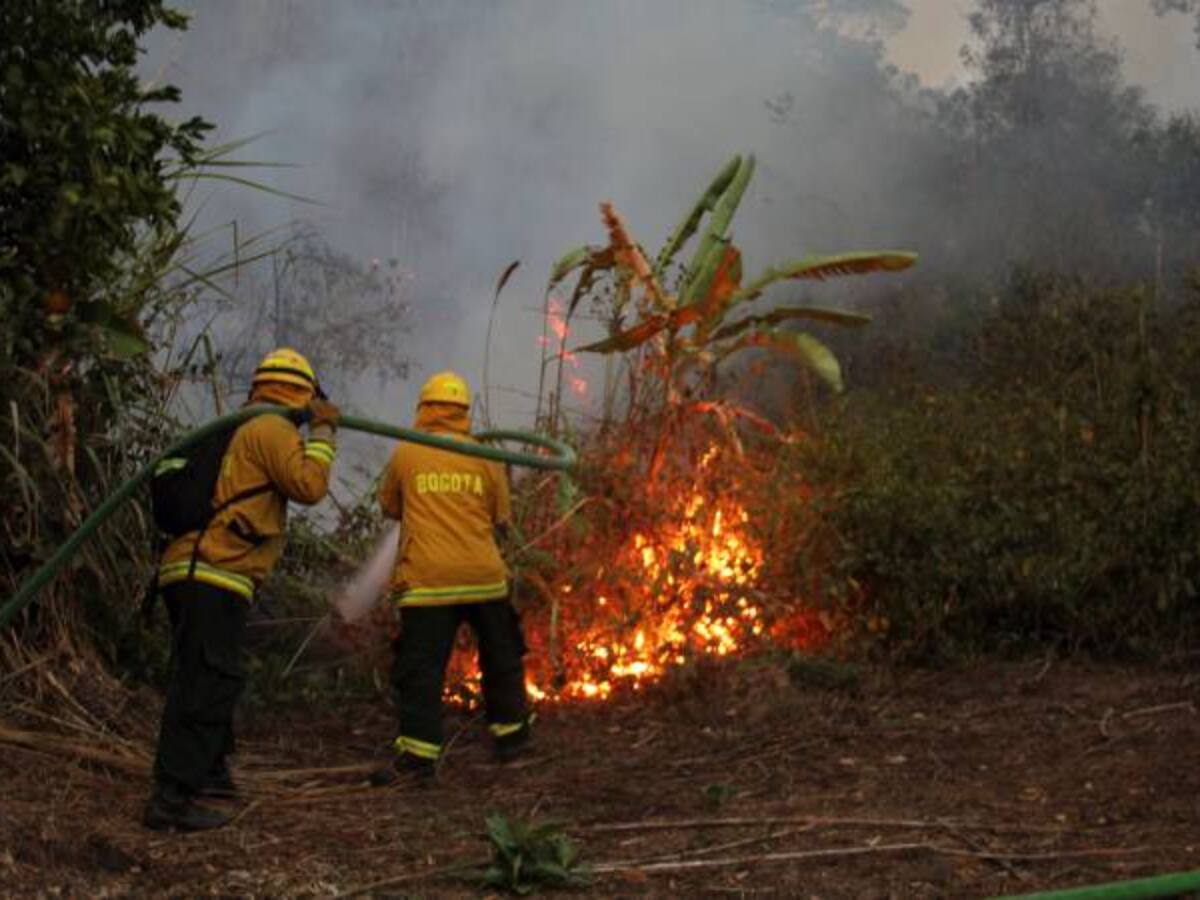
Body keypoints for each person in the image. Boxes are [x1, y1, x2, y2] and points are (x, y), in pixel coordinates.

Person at [143, 347, 339, 831]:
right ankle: (172, 800)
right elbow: (309, 485)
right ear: (304, 394)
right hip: (215, 568)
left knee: (210, 675)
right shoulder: (271, 428)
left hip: (189, 568)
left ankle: (208, 772)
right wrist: (324, 432)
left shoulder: (232, 426)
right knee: (206, 681)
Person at [369, 371, 532, 787]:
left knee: (422, 670)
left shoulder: (407, 453)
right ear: (464, 413)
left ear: (424, 409)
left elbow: (389, 507)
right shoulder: (484, 455)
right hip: (483, 576)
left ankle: (420, 759)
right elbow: (500, 516)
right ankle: (512, 742)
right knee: (501, 657)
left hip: (428, 582)